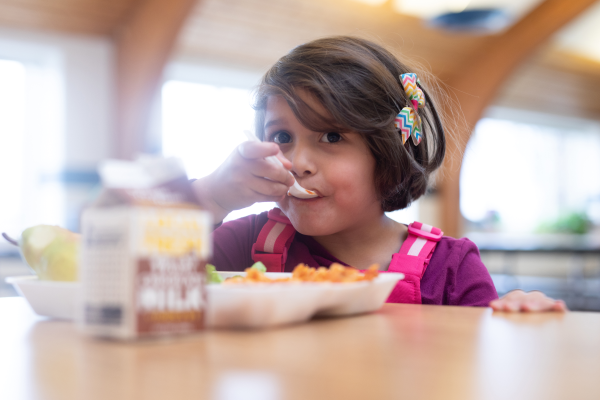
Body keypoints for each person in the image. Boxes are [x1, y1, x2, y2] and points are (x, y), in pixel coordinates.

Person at [192, 36, 566, 312]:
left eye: (332, 136)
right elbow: (141, 283)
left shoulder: (451, 268)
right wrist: (210, 198)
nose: (297, 161)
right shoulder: (246, 244)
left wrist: (516, 318)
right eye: (282, 137)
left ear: (388, 153)